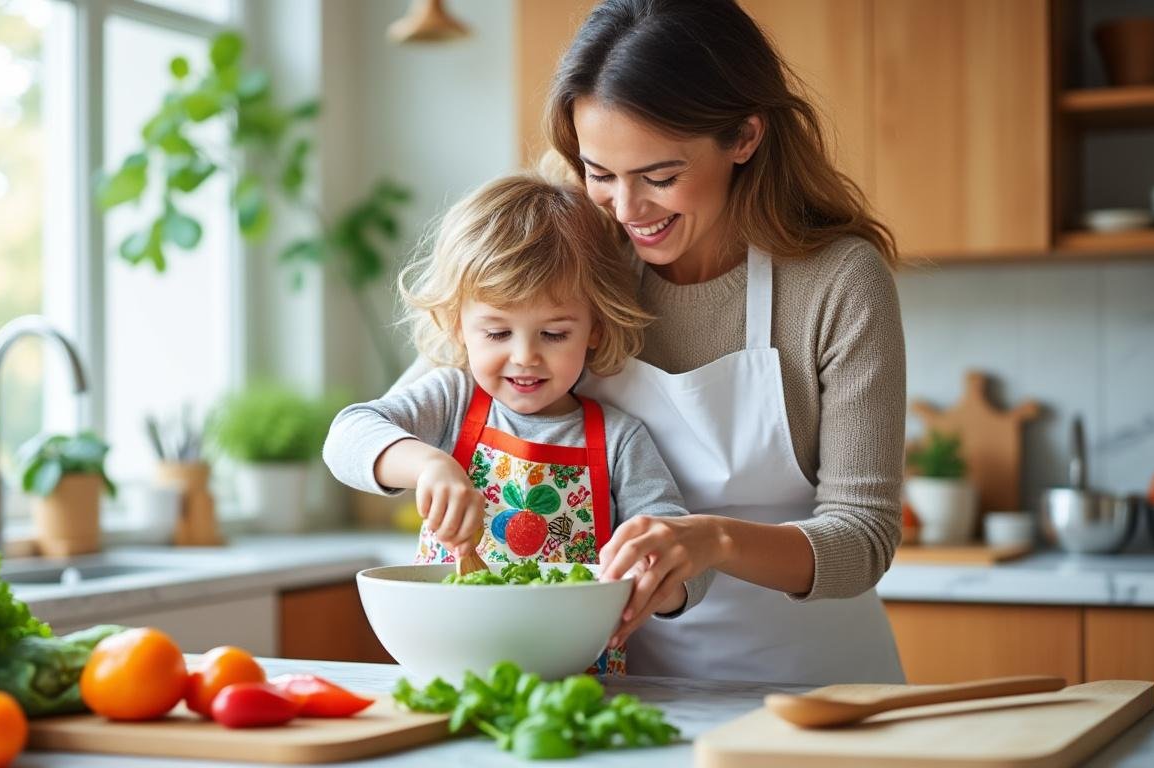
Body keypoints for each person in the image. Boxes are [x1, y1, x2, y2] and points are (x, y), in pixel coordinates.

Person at [542, 0, 908, 684]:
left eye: (660, 176)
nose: (627, 210)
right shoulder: (576, 264)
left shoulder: (836, 282)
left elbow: (864, 539)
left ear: (743, 136)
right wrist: (419, 464)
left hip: (819, 697)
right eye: (599, 174)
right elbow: (398, 413)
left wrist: (712, 539)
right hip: (633, 694)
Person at [322, 174, 713, 675]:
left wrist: (657, 577)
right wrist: (426, 466)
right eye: (498, 332)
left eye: (553, 333)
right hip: (451, 662)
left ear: (594, 329)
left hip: (575, 678)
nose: (525, 357)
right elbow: (346, 436)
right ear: (458, 325)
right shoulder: (454, 398)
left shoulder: (619, 439)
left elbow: (681, 554)